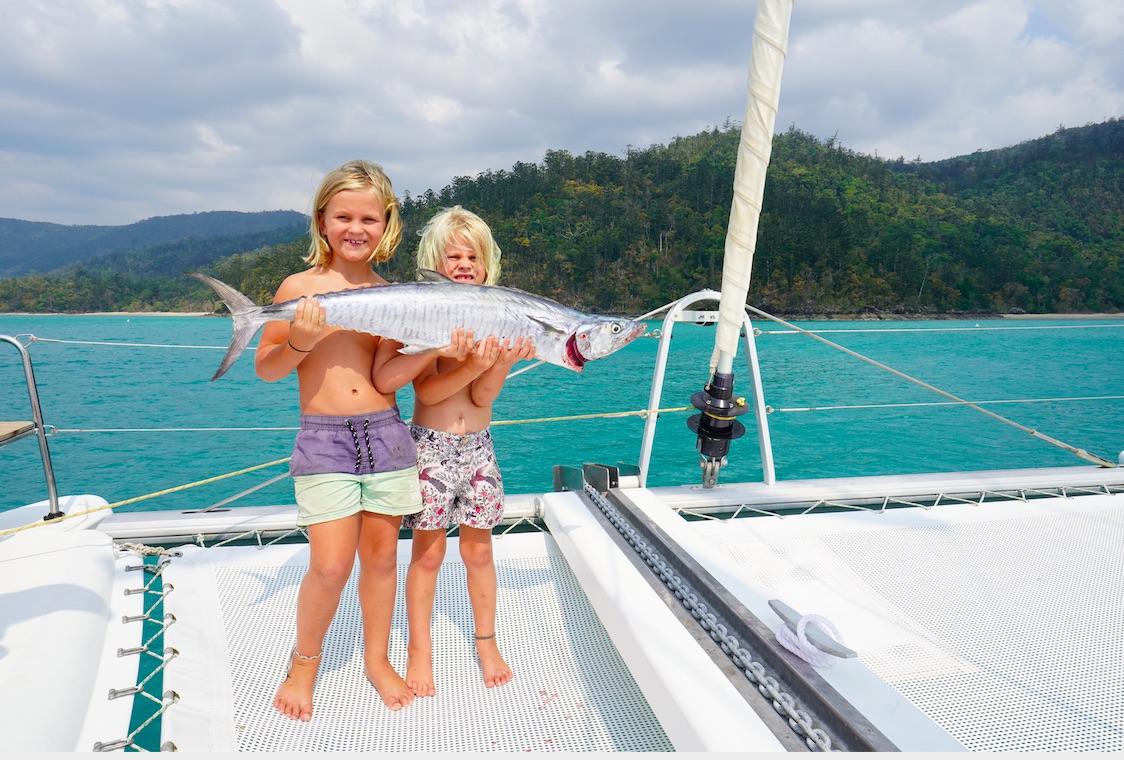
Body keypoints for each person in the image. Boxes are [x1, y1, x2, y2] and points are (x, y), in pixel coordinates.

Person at [255, 159, 422, 719]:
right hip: (324, 439)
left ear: (387, 224)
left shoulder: (393, 294)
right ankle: (305, 663)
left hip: (388, 435)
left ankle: (376, 660)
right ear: (322, 220)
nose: (357, 227)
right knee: (330, 566)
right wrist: (301, 341)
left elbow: (385, 375)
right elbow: (268, 369)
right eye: (344, 215)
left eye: (369, 218)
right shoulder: (299, 288)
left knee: (380, 561)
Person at [374, 205, 535, 697]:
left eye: (473, 256)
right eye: (453, 256)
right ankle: (419, 649)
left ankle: (486, 641)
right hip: (431, 451)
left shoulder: (495, 322)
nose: (464, 263)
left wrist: (501, 361)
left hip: (480, 450)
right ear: (433, 264)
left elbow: (483, 398)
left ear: (488, 266)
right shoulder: (431, 320)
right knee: (426, 555)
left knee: (479, 550)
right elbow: (427, 395)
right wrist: (466, 362)